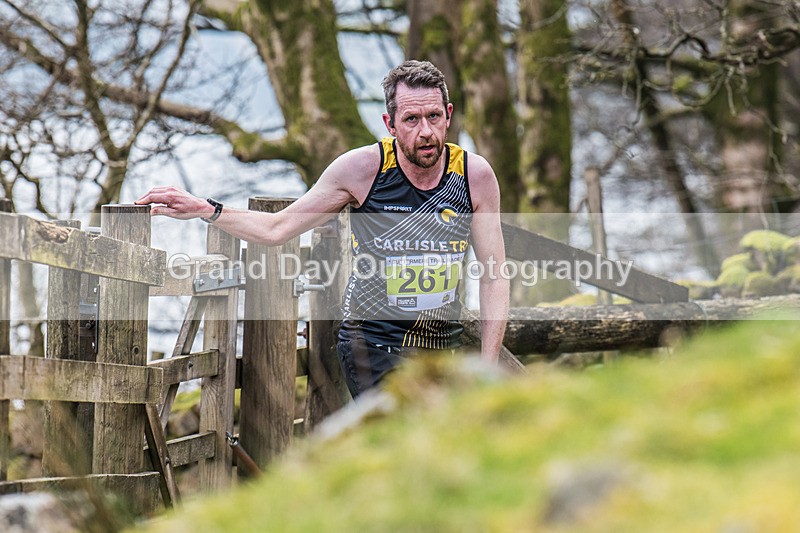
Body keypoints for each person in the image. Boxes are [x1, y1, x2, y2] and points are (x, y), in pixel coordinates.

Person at [137, 60, 509, 397]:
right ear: (390, 124)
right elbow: (277, 228)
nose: (425, 131)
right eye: (411, 120)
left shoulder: (474, 175)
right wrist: (206, 209)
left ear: (448, 115)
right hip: (373, 345)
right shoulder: (362, 170)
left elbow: (493, 275)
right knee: (410, 445)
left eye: (433, 116)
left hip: (441, 348)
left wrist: (489, 366)